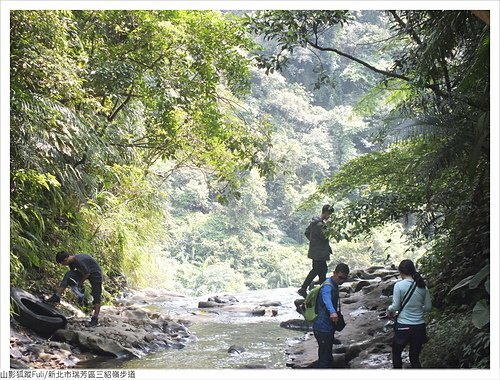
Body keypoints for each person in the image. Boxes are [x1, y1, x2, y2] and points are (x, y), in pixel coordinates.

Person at [388, 259, 432, 369]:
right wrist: (417, 308)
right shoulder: (423, 286)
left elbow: (396, 307)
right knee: (414, 357)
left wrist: (389, 309)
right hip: (419, 328)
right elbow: (428, 307)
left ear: (401, 272)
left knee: (397, 354)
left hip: (403, 326)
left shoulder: (399, 286)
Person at [45, 251, 104, 327]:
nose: (62, 265)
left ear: (66, 259)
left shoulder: (79, 260)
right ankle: (56, 296)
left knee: (96, 294)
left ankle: (95, 319)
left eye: (62, 263)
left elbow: (87, 273)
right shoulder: (71, 262)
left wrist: (80, 284)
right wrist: (73, 285)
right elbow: (72, 274)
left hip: (95, 273)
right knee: (68, 275)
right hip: (85, 272)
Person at [312, 263, 349, 368]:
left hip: (326, 327)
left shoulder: (334, 284)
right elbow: (326, 299)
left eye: (344, 279)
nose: (341, 280)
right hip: (322, 328)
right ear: (334, 273)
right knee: (325, 360)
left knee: (326, 356)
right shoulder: (328, 286)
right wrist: (333, 312)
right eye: (340, 277)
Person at [297, 204, 334, 298]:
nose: (329, 217)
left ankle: (322, 290)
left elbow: (307, 232)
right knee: (317, 269)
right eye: (329, 214)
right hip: (319, 252)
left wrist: (314, 241)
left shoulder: (314, 222)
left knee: (323, 269)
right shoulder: (319, 224)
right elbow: (325, 236)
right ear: (325, 213)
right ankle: (303, 288)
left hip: (316, 251)